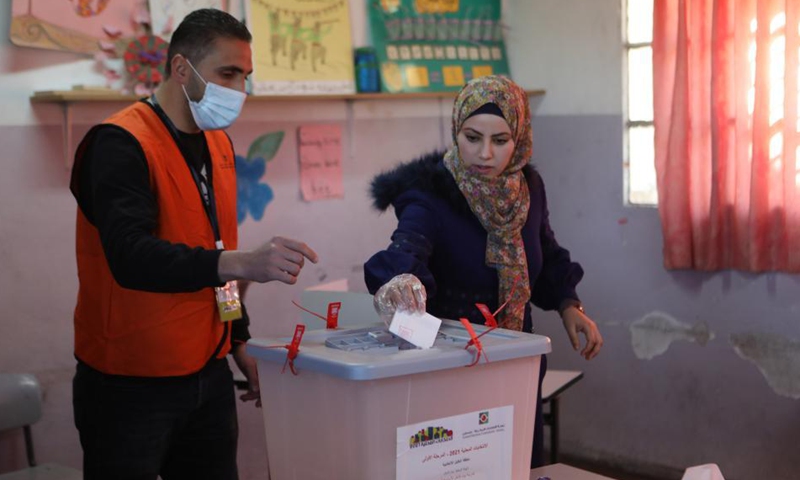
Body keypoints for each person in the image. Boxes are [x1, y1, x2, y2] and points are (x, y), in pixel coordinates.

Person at [69, 9, 318, 480]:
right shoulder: (119, 143)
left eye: (245, 75)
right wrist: (242, 262)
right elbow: (132, 258)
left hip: (207, 374)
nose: (239, 89)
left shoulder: (217, 144)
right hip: (129, 386)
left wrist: (238, 339)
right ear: (181, 68)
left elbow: (211, 252)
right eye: (227, 73)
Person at [364, 75, 603, 468]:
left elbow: (543, 252)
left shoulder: (527, 188)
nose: (485, 154)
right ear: (456, 131)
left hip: (517, 360)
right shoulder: (430, 194)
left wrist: (568, 305)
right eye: (472, 137)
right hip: (453, 367)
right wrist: (401, 279)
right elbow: (407, 246)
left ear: (520, 138)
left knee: (517, 464)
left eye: (500, 140)